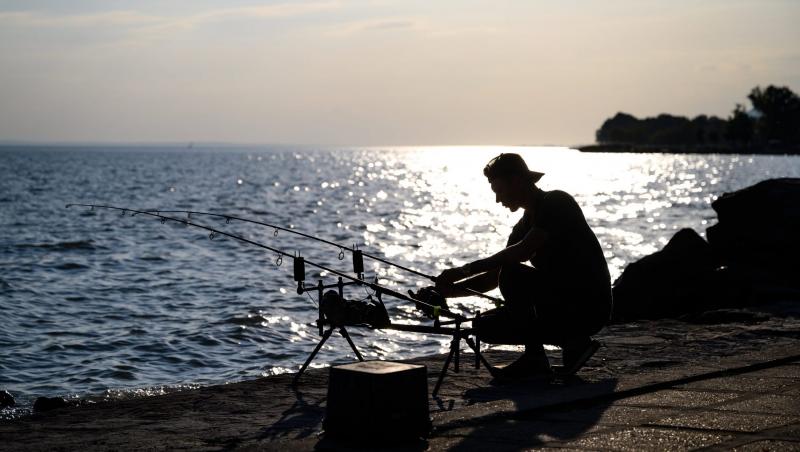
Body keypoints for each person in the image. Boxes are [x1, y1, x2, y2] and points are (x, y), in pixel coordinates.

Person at [417, 153, 612, 379]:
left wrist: (463, 270)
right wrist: (444, 292)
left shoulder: (556, 202)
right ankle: (572, 343)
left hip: (589, 306)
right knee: (484, 326)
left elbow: (521, 252)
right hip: (562, 304)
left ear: (516, 181)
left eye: (499, 191)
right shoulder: (522, 226)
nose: (497, 200)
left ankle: (537, 358)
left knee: (512, 273)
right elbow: (493, 277)